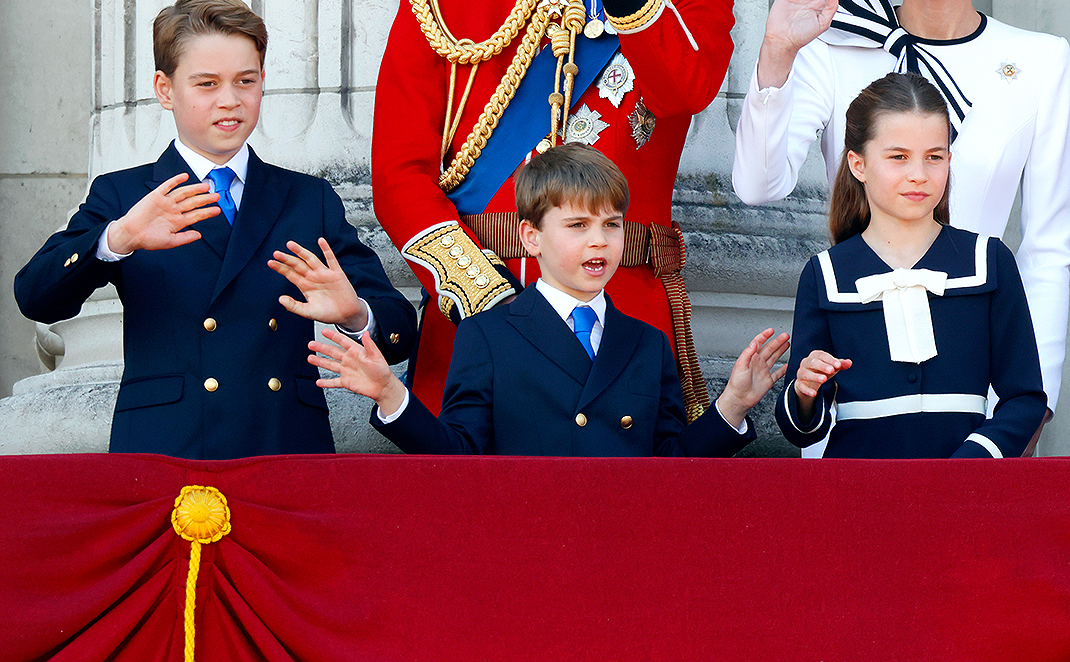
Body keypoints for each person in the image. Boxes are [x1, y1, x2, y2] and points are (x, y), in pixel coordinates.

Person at [371, 0, 736, 416]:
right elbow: (399, 172)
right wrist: (489, 304)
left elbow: (686, 89)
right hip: (475, 319)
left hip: (620, 316)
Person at [733, 0, 1070, 447]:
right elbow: (756, 186)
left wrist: (1034, 404)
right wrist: (777, 53)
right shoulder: (832, 53)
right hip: (856, 356)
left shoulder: (1038, 61)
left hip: (982, 374)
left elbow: (1048, 246)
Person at [14, 0, 418, 459]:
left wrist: (354, 315)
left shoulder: (308, 200)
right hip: (165, 450)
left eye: (245, 80)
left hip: (282, 445)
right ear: (165, 90)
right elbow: (36, 296)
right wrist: (117, 239)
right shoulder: (124, 195)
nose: (230, 101)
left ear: (263, 81)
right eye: (206, 84)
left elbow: (398, 333)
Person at [313, 144, 789, 456]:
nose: (599, 242)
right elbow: (459, 456)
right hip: (526, 554)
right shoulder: (489, 334)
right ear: (531, 237)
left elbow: (669, 466)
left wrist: (732, 406)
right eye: (578, 227)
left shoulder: (646, 342)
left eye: (611, 225)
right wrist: (392, 395)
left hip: (624, 554)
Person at [778, 74, 1046, 458]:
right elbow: (800, 431)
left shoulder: (989, 261)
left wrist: (971, 464)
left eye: (934, 157)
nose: (919, 174)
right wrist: (804, 392)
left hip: (965, 496)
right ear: (858, 164)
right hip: (859, 494)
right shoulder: (825, 273)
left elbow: (1025, 398)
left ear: (949, 160)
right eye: (898, 157)